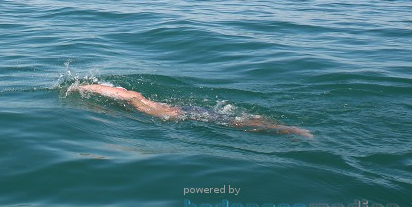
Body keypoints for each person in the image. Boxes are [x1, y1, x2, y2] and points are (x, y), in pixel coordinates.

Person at [68, 83, 313, 138]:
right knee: (234, 119)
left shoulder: (136, 100)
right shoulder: (140, 99)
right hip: (186, 109)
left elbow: (111, 93)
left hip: (184, 114)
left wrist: (79, 87)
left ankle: (290, 130)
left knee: (234, 123)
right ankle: (285, 127)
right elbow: (111, 92)